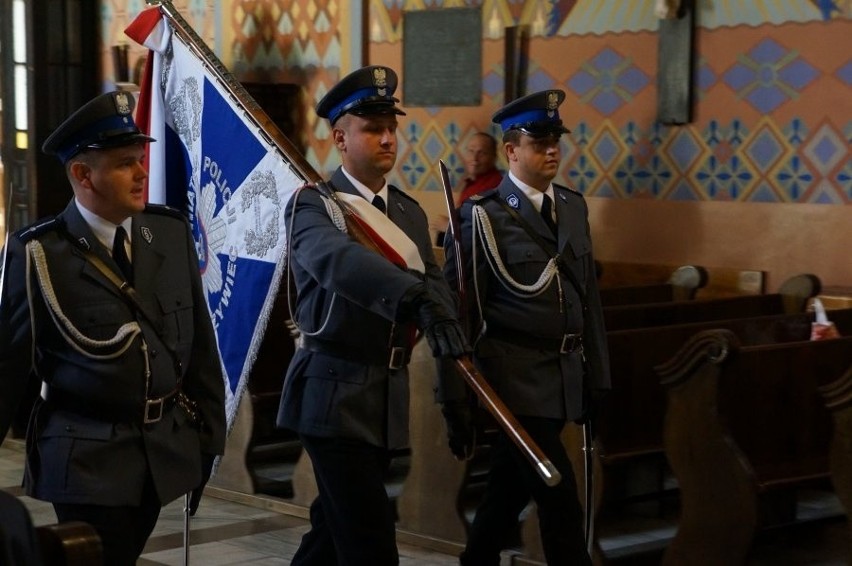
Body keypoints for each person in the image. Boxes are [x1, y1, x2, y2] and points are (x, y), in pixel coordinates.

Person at [0, 91, 227, 565]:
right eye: (126, 163)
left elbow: (201, 348)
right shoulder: (41, 254)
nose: (143, 173)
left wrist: (208, 442)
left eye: (140, 160)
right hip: (87, 462)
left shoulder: (167, 232)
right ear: (83, 175)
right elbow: (8, 370)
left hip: (164, 452)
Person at [277, 65, 468, 565]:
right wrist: (413, 298)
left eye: (392, 128)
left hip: (384, 399)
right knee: (371, 545)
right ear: (340, 138)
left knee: (330, 534)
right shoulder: (313, 207)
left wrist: (454, 396)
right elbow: (341, 263)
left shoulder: (405, 212)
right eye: (372, 129)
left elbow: (437, 293)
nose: (387, 139)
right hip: (332, 394)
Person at [441, 89, 611, 565]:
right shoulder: (482, 217)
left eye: (556, 140)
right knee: (557, 491)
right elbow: (459, 313)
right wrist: (454, 398)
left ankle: (476, 560)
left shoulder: (573, 207)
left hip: (562, 377)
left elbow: (588, 301)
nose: (552, 149)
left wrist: (599, 376)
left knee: (506, 492)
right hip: (512, 380)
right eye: (539, 142)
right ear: (512, 151)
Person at [432, 132, 503, 246]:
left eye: (482, 153)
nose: (474, 158)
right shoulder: (472, 183)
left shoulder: (495, 187)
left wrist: (451, 228)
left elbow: (488, 233)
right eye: (471, 151)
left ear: (494, 157)